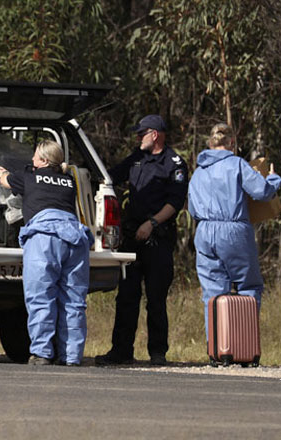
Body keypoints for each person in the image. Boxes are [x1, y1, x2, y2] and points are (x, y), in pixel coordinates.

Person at [95, 114, 188, 366]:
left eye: (141, 133)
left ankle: (158, 353)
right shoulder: (136, 158)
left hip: (158, 238)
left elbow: (175, 202)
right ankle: (121, 351)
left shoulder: (174, 163)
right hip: (132, 238)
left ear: (154, 134)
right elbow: (110, 176)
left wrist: (152, 223)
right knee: (126, 297)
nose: (137, 138)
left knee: (156, 299)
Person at [0, 140, 93, 366]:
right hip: (74, 238)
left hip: (44, 238)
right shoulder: (69, 181)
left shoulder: (28, 177)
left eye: (36, 157)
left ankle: (42, 353)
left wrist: (1, 172)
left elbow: (5, 181)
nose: (32, 160)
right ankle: (71, 356)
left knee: (41, 296)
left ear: (45, 160)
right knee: (73, 301)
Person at [188, 123, 281, 338]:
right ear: (231, 142)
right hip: (233, 229)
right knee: (248, 285)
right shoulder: (237, 164)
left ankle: (217, 349)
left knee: (212, 292)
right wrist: (274, 179)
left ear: (211, 143)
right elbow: (262, 192)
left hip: (204, 231)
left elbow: (192, 209)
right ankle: (244, 345)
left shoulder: (198, 172)